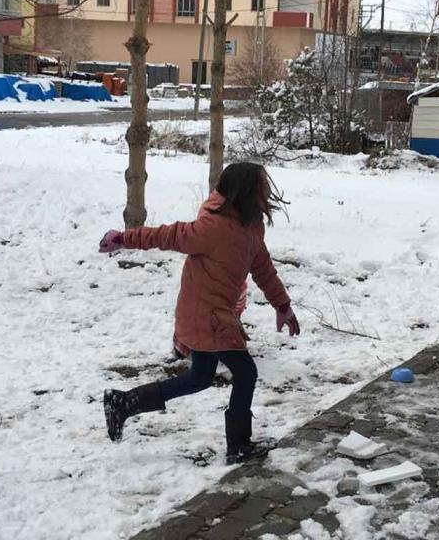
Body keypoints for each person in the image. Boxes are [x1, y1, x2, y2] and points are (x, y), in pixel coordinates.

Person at [98, 162, 301, 464]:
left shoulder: (250, 226)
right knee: (246, 372)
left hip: (217, 313)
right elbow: (165, 235)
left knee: (200, 377)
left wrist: (282, 305)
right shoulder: (212, 227)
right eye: (261, 185)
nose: (266, 190)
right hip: (206, 314)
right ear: (245, 190)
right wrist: (124, 238)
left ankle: (124, 403)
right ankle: (239, 446)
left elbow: (262, 268)